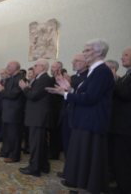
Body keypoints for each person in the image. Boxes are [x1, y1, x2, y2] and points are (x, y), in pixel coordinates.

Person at [46, 39, 115, 194]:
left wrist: (65, 95)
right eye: (84, 50)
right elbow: (84, 95)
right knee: (83, 157)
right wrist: (69, 89)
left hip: (93, 122)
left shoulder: (102, 71)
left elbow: (90, 98)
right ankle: (83, 187)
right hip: (85, 120)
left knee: (89, 157)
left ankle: (89, 189)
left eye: (87, 50)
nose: (84, 53)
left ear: (99, 52)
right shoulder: (94, 70)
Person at [18, 59, 53, 177]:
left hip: (38, 117)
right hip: (37, 116)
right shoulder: (41, 79)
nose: (33, 68)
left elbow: (33, 96)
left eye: (35, 66)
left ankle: (34, 168)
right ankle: (43, 165)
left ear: (42, 67)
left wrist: (24, 88)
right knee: (40, 143)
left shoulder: (44, 79)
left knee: (36, 144)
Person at [56, 54, 88, 178]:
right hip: (67, 114)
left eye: (77, 61)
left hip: (78, 117)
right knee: (67, 145)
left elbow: (81, 96)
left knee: (75, 148)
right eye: (73, 61)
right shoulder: (74, 77)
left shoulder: (88, 77)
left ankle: (74, 175)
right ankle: (68, 171)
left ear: (86, 63)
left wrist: (68, 88)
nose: (73, 63)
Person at [0, 61, 25, 163]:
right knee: (6, 134)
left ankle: (14, 156)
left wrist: (1, 89)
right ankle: (4, 151)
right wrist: (0, 87)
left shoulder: (20, 79)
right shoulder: (11, 79)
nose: (7, 69)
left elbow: (12, 95)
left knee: (14, 135)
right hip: (7, 111)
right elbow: (6, 92)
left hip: (14, 112)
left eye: (8, 67)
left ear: (15, 67)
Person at [109, 48, 131, 194]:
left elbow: (125, 94)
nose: (122, 57)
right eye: (122, 54)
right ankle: (120, 186)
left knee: (124, 160)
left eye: (126, 55)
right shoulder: (125, 76)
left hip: (126, 126)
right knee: (118, 159)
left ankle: (124, 189)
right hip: (119, 124)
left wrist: (113, 81)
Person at [48, 61, 64, 160]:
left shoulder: (62, 80)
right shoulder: (50, 79)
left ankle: (54, 153)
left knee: (56, 133)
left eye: (54, 67)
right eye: (51, 67)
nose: (51, 69)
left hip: (58, 110)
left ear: (59, 69)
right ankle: (50, 150)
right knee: (51, 132)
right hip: (49, 110)